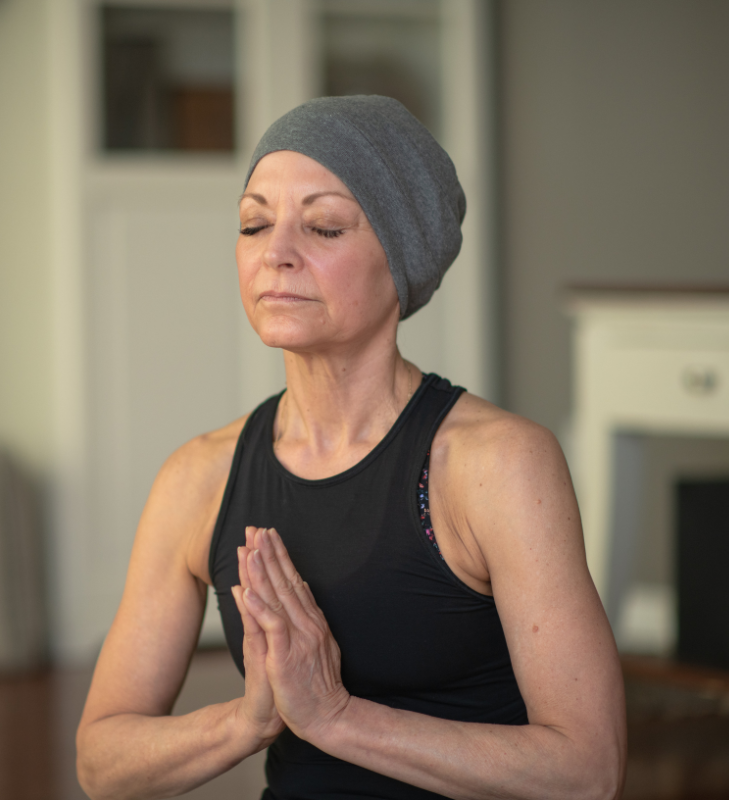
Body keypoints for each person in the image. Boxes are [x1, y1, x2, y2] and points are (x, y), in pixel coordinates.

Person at [76, 95, 626, 800]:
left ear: (400, 260)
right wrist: (246, 723)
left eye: (325, 226)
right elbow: (101, 760)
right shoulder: (199, 479)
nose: (276, 254)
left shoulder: (497, 466)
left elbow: (589, 770)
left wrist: (337, 719)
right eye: (254, 223)